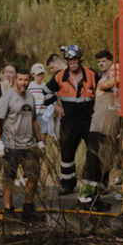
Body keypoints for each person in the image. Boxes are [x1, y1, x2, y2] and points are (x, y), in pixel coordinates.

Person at [43, 44, 99, 195]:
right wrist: (56, 103)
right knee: (67, 154)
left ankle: (95, 185)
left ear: (80, 59)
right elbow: (46, 92)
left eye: (75, 59)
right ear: (66, 61)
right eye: (69, 59)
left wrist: (98, 110)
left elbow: (103, 91)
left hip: (89, 121)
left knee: (94, 153)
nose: (72, 62)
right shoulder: (60, 76)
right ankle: (67, 185)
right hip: (68, 122)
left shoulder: (92, 74)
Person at [0, 69, 45, 221]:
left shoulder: (30, 96)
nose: (24, 83)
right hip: (11, 144)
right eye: (21, 80)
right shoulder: (7, 97)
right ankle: (8, 210)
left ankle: (28, 207)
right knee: (9, 177)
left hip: (29, 144)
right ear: (15, 80)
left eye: (26, 80)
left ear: (30, 80)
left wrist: (40, 140)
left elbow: (34, 119)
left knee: (33, 176)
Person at [77, 51, 121, 209]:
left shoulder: (122, 90)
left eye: (119, 71)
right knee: (92, 162)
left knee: (103, 166)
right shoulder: (104, 82)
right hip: (98, 130)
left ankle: (95, 198)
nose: (116, 73)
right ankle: (83, 198)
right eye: (114, 71)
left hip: (112, 133)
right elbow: (107, 84)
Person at [28, 62, 56, 140]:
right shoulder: (29, 86)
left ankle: (43, 151)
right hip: (32, 115)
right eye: (38, 74)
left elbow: (49, 100)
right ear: (33, 74)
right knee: (33, 137)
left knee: (43, 136)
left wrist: (51, 113)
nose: (40, 76)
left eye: (42, 74)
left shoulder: (45, 86)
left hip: (43, 114)